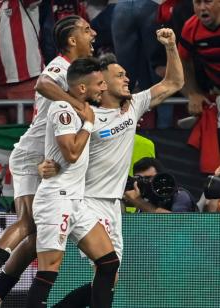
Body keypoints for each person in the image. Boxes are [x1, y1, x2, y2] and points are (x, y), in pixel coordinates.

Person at [0, 15, 96, 307]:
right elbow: (42, 83)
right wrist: (77, 105)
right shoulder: (60, 65)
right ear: (72, 40)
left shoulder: (77, 73)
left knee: (36, 235)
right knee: (27, 222)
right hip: (29, 156)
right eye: (87, 30)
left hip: (42, 158)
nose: (94, 33)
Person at [52, 28, 184, 307]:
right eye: (119, 75)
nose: (127, 79)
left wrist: (171, 46)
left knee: (108, 277)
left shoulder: (133, 105)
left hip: (113, 205)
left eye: (126, 74)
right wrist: (49, 164)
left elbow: (173, 82)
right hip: (86, 202)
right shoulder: (87, 114)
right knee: (105, 267)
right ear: (101, 82)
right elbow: (64, 147)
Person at [27, 57, 118, 308]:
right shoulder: (63, 110)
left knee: (109, 263)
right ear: (81, 88)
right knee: (49, 271)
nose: (103, 87)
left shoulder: (78, 108)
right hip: (56, 200)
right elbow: (72, 153)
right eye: (99, 83)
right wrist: (88, 123)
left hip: (76, 201)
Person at [178, 0, 220, 116]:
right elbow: (181, 64)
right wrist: (193, 93)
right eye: (197, 2)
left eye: (208, 2)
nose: (202, 7)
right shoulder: (190, 28)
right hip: (213, 89)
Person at [123, 157, 196, 213]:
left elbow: (178, 223)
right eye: (140, 178)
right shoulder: (142, 196)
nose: (145, 182)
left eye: (148, 178)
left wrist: (139, 202)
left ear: (160, 177)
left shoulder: (179, 195)